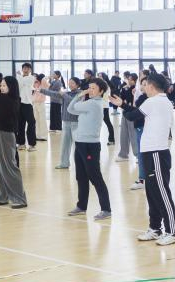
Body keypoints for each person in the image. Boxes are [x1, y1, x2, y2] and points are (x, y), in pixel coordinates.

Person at [116, 73, 175, 245]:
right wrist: (123, 104)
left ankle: (172, 232)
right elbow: (135, 113)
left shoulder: (154, 101)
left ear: (151, 86)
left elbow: (132, 116)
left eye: (144, 85)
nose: (143, 88)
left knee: (162, 193)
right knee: (152, 193)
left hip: (156, 153)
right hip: (150, 152)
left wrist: (122, 105)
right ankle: (155, 228)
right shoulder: (161, 101)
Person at [66, 78, 112, 220]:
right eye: (89, 87)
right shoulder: (89, 104)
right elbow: (71, 110)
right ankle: (81, 206)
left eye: (93, 88)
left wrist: (79, 95)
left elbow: (71, 107)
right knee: (81, 177)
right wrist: (80, 96)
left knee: (95, 177)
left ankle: (106, 209)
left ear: (101, 91)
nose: (89, 90)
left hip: (90, 146)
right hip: (80, 143)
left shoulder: (93, 104)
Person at [0, 76, 28, 208]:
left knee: (9, 166)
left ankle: (20, 198)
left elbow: (2, 106)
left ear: (12, 87)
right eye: (1, 85)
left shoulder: (12, 99)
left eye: (4, 85)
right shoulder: (3, 98)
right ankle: (3, 196)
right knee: (0, 166)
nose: (1, 87)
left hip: (6, 134)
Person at [42, 77, 79, 168]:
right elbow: (53, 94)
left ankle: (79, 164)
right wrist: (42, 90)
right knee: (65, 144)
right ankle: (64, 163)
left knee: (78, 145)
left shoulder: (80, 93)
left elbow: (72, 101)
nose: (70, 84)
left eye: (72, 83)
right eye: (69, 82)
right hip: (66, 122)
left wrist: (63, 94)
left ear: (77, 85)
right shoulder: (67, 93)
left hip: (76, 123)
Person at [116, 73, 138, 162]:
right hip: (125, 112)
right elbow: (122, 98)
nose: (128, 81)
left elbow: (131, 99)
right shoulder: (125, 88)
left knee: (133, 134)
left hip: (133, 113)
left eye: (130, 79)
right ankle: (123, 154)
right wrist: (124, 89)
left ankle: (138, 155)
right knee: (123, 134)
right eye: (128, 79)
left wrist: (128, 89)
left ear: (134, 80)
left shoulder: (136, 89)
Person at [16, 63, 37, 150]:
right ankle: (21, 143)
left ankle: (32, 144)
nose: (26, 70)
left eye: (28, 68)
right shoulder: (19, 77)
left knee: (31, 123)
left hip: (28, 104)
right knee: (20, 124)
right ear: (22, 69)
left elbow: (23, 82)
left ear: (30, 70)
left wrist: (19, 76)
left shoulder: (32, 77)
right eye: (24, 68)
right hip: (19, 103)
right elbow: (19, 86)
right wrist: (19, 77)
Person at [32, 75, 49, 142]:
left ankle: (44, 136)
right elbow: (31, 85)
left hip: (41, 103)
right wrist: (35, 80)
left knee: (42, 120)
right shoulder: (36, 84)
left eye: (37, 78)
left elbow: (45, 81)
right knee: (36, 120)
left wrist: (43, 78)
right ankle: (37, 135)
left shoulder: (43, 84)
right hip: (35, 103)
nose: (36, 80)